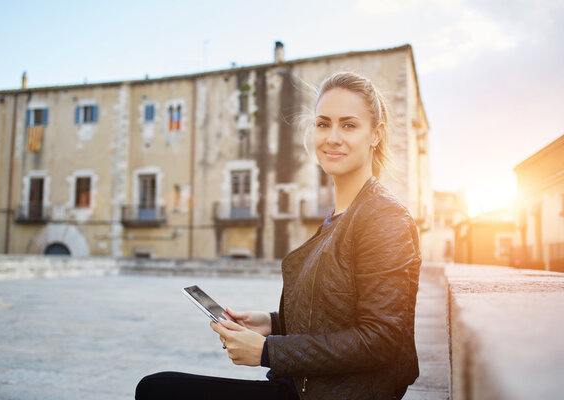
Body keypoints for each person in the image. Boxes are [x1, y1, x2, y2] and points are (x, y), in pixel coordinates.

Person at [135, 71, 422, 400]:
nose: (332, 137)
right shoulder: (340, 216)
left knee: (157, 391)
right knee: (158, 387)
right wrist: (272, 323)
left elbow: (381, 340)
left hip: (332, 394)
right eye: (323, 123)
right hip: (301, 385)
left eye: (349, 125)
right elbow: (333, 317)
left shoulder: (384, 218)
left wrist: (268, 352)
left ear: (376, 134)